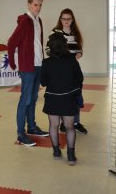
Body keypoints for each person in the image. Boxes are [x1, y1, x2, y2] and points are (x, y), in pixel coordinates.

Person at [8, 0, 49, 147]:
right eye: (35, 5)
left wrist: (43, 63)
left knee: (33, 99)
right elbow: (11, 42)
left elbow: (38, 44)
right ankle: (20, 133)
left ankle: (31, 127)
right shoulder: (25, 21)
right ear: (28, 4)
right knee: (25, 100)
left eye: (40, 5)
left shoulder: (38, 20)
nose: (38, 8)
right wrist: (12, 62)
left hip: (38, 65)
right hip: (28, 67)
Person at [41, 32, 83, 165]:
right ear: (65, 45)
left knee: (53, 126)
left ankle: (56, 152)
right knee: (70, 127)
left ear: (50, 47)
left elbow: (44, 83)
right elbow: (80, 78)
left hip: (52, 99)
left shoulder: (46, 62)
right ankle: (71, 156)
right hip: (69, 99)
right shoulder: (72, 60)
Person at [50, 8, 88, 134]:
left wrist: (77, 55)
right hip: (60, 70)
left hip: (74, 69)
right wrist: (62, 59)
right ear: (60, 19)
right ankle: (63, 123)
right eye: (63, 18)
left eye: (68, 18)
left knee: (76, 96)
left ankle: (75, 122)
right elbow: (48, 50)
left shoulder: (76, 33)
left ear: (72, 20)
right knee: (63, 97)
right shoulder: (55, 33)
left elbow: (80, 50)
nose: (66, 21)